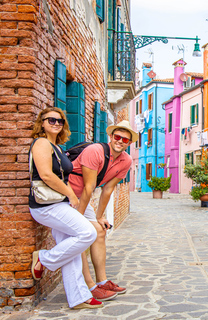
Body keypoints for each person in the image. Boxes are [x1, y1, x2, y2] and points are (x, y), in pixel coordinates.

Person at [29, 107, 102, 310]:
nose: (55, 124)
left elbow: (64, 177)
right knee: (87, 233)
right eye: (51, 120)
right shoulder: (41, 143)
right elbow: (46, 175)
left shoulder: (58, 148)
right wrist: (70, 194)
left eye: (60, 121)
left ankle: (78, 297)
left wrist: (73, 198)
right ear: (41, 123)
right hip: (45, 206)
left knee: (70, 248)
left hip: (59, 204)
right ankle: (44, 258)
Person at [69, 120, 137, 301]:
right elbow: (89, 187)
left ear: (129, 143)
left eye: (125, 139)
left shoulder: (126, 160)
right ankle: (88, 285)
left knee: (100, 231)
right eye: (117, 137)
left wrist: (100, 216)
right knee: (82, 233)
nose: (120, 141)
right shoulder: (95, 151)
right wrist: (79, 218)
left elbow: (107, 189)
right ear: (111, 137)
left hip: (83, 197)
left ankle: (101, 281)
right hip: (68, 194)